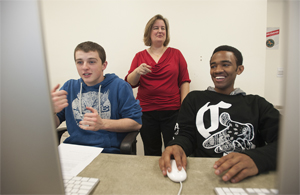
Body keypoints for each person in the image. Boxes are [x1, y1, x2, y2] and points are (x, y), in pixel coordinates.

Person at [159, 45, 279, 183]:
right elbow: (185, 135)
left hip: (246, 178)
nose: (217, 70)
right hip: (203, 175)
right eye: (213, 66)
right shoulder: (194, 99)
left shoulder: (257, 104)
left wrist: (257, 158)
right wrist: (177, 145)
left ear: (239, 69)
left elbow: (290, 142)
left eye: (225, 65)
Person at [52, 41, 142, 153]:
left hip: (107, 152)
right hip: (73, 151)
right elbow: (53, 124)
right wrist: (51, 112)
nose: (85, 67)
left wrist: (103, 124)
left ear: (104, 65)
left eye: (91, 62)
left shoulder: (120, 86)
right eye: (80, 62)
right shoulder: (69, 87)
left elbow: (136, 123)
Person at [125, 14, 191, 156]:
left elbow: (184, 81)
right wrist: (137, 71)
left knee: (173, 150)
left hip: (172, 112)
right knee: (151, 151)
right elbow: (130, 82)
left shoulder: (176, 54)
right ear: (149, 32)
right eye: (156, 28)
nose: (160, 31)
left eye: (163, 28)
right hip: (146, 112)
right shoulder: (139, 56)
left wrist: (184, 108)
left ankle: (172, 176)